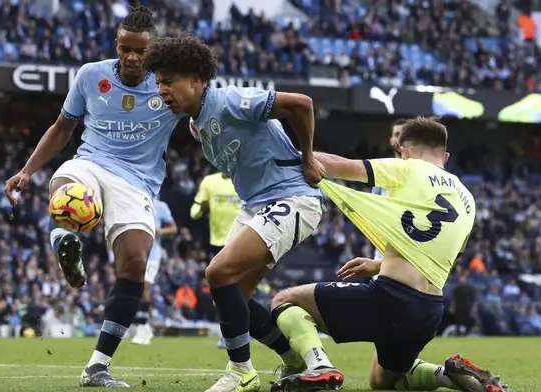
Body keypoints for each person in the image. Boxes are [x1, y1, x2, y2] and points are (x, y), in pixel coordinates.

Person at [3, 6, 185, 388]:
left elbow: (205, 112)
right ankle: (65, 240)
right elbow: (61, 127)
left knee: (135, 264)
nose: (132, 58)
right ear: (116, 45)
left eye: (141, 51)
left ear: (154, 51)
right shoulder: (90, 75)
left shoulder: (171, 83)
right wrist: (27, 170)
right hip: (91, 161)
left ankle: (97, 366)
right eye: (124, 49)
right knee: (66, 189)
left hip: (137, 182)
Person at [270, 117, 510, 392]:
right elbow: (444, 258)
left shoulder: (407, 169)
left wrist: (285, 155)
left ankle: (319, 367)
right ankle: (449, 374)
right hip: (430, 309)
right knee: (381, 380)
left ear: (405, 150)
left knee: (284, 300)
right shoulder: (468, 199)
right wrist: (377, 265)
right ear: (445, 155)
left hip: (391, 299)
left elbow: (333, 165)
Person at [142, 34, 326, 392]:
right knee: (232, 296)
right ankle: (293, 360)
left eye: (168, 82)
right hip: (257, 205)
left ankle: (241, 371)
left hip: (292, 197)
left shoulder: (229, 101)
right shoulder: (196, 125)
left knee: (219, 271)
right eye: (158, 83)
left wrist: (307, 158)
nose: (161, 90)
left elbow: (301, 104)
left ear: (196, 81)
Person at [189, 168, 242, 349]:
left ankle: (242, 332)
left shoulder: (245, 179)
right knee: (222, 292)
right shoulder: (209, 182)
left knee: (242, 289)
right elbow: (194, 212)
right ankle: (227, 334)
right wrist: (202, 208)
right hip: (218, 243)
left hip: (242, 241)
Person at [132, 197, 177, 345]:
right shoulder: (133, 200)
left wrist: (160, 231)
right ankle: (144, 326)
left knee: (143, 289)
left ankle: (143, 326)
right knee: (134, 289)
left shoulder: (160, 205)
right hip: (135, 252)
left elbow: (173, 228)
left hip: (152, 254)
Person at [372, 118, 407, 261]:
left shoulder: (422, 170)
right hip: (384, 251)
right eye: (397, 134)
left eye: (405, 134)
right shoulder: (381, 170)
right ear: (391, 140)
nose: (401, 138)